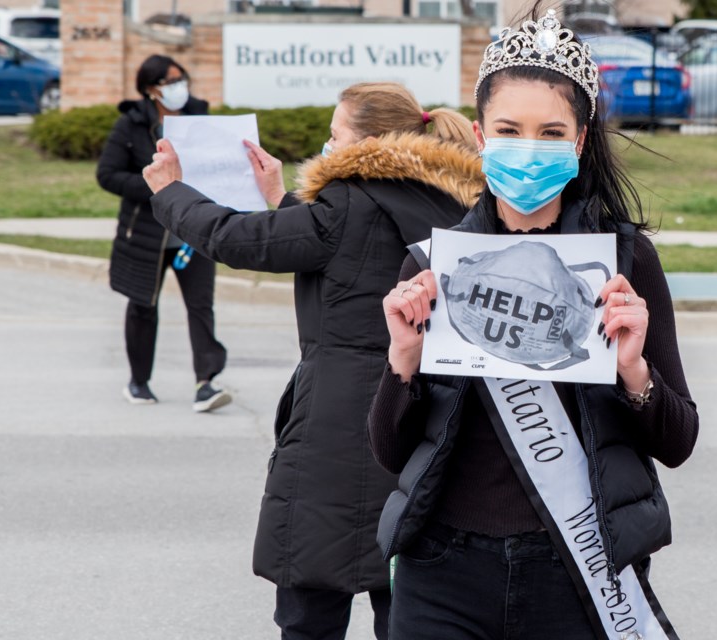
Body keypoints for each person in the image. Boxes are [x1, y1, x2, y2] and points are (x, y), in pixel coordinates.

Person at [368, 7, 700, 640]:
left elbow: (678, 441)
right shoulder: (429, 268)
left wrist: (634, 371)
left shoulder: (625, 264)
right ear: (479, 135)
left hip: (577, 572)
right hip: (441, 572)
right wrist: (402, 361)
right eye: (509, 129)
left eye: (551, 133)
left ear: (579, 141)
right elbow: (388, 452)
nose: (529, 147)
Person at [140, 82, 485, 639]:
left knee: (310, 609)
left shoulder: (346, 203)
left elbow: (238, 239)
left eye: (334, 134)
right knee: (406, 609)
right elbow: (347, 255)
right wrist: (281, 195)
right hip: (425, 421)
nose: (327, 145)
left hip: (337, 430)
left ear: (367, 144)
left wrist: (172, 192)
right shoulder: (451, 202)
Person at [97, 54, 231, 413]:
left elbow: (216, 165)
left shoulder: (199, 118)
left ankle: (206, 383)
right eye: (169, 82)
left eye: (180, 79)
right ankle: (139, 381)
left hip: (194, 232)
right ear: (150, 88)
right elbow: (107, 174)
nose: (178, 87)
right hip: (145, 236)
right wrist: (158, 187)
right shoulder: (131, 124)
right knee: (143, 305)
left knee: (201, 307)